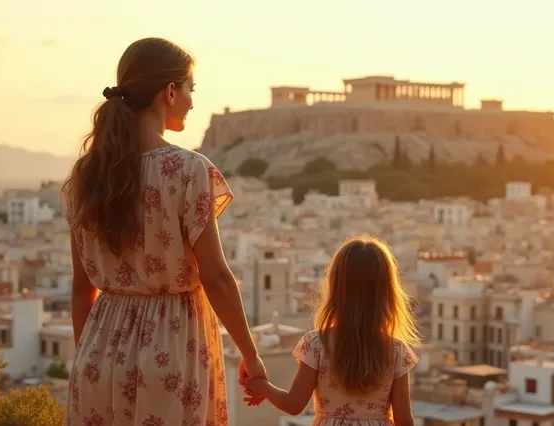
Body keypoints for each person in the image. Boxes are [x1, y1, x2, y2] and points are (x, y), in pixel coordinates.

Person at [63, 37, 266, 425]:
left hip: (98, 350)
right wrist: (251, 356)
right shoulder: (187, 170)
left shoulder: (85, 175)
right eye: (191, 89)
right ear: (169, 92)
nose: (192, 100)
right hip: (171, 350)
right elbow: (217, 278)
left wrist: (90, 356)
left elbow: (79, 286)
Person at [240, 235, 420, 426]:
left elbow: (293, 405)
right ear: (387, 292)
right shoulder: (397, 351)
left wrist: (261, 386)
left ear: (336, 287)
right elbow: (404, 420)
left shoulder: (317, 345)